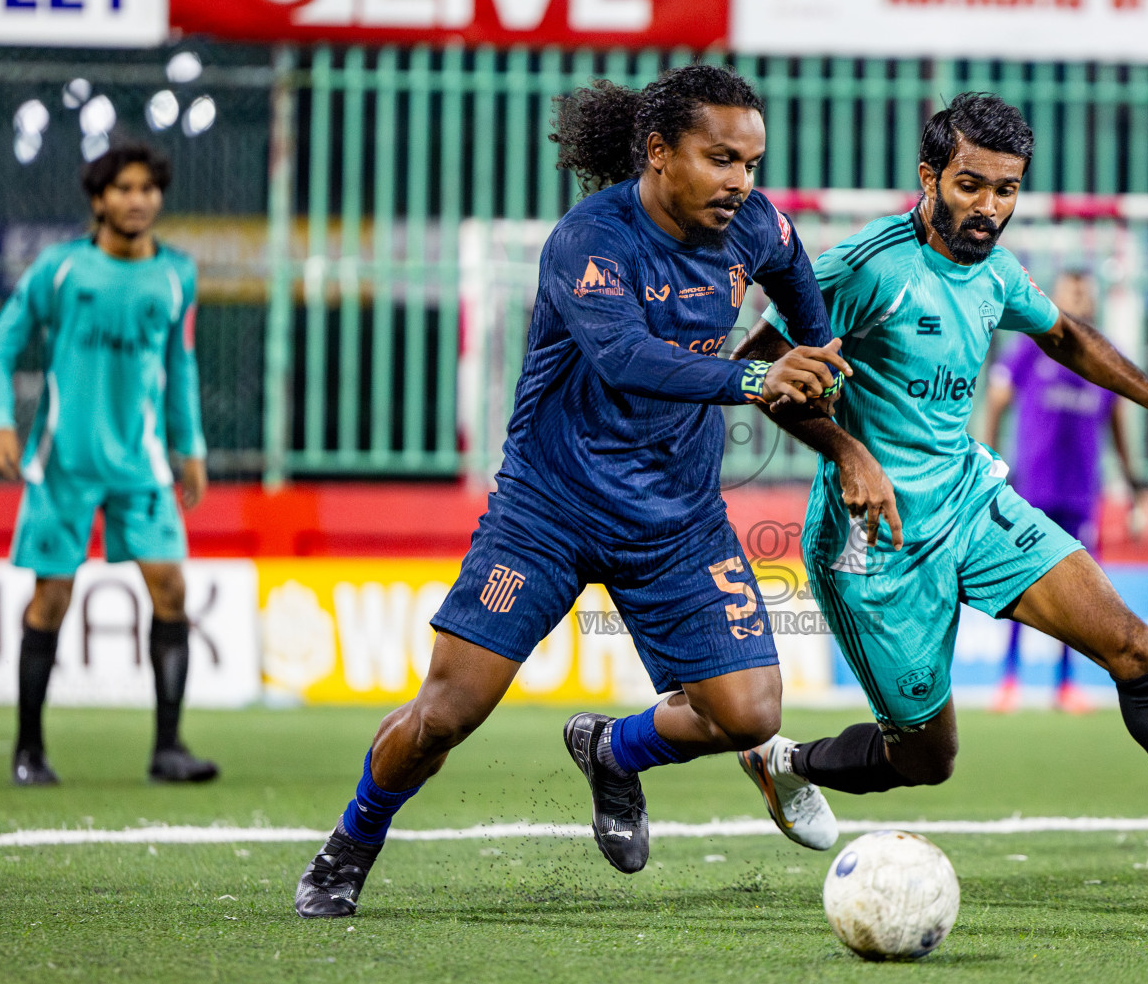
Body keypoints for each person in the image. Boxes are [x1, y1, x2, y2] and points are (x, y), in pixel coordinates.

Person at [294, 65, 892, 918]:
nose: (742, 183)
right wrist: (758, 376)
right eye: (722, 159)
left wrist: (823, 349)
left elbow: (795, 274)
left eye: (752, 163)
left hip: (676, 519)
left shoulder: (753, 224)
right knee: (444, 717)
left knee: (751, 714)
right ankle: (350, 842)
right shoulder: (590, 240)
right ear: (658, 153)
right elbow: (628, 360)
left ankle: (614, 752)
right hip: (549, 511)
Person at [733, 92, 1148, 891]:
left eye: (1006, 190)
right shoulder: (865, 268)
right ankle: (782, 761)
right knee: (927, 760)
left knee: (1132, 644)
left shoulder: (996, 270)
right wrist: (845, 449)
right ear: (929, 177)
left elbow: (1064, 334)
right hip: (876, 544)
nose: (989, 208)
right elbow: (761, 371)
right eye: (972, 185)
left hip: (971, 503)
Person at [0, 142, 217, 786]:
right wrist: (0, 423)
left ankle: (168, 748)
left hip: (141, 463)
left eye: (147, 188)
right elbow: (0, 348)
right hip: (64, 463)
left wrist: (189, 445)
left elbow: (181, 367)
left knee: (171, 589)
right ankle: (29, 752)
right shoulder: (60, 270)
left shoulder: (176, 275)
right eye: (123, 189)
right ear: (98, 200)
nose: (137, 199)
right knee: (51, 597)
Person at [982, 270, 1148, 714]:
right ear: (1054, 296)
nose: (1079, 297)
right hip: (1031, 489)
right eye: (1072, 289)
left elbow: (1118, 426)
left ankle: (1064, 684)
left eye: (1085, 291)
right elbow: (996, 402)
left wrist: (1135, 487)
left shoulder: (1104, 358)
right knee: (1020, 582)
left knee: (1080, 592)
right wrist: (986, 461)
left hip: (1080, 493)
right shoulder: (1029, 347)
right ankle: (1010, 678)